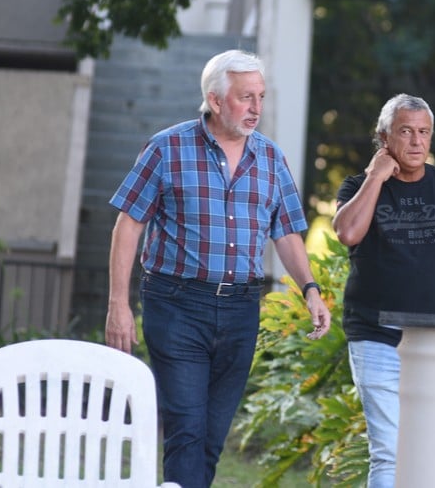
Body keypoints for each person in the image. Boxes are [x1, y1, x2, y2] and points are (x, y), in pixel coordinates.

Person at [105, 49, 331, 488]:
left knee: (210, 438)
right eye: (246, 98)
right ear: (215, 98)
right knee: (187, 431)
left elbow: (285, 233)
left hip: (241, 310)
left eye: (260, 97)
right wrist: (119, 304)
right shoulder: (166, 148)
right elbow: (128, 224)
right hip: (176, 305)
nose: (256, 108)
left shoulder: (270, 158)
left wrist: (310, 289)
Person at [332, 93, 435, 487]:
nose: (417, 142)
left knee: (431, 447)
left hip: (432, 344)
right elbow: (347, 233)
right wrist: (375, 176)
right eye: (406, 132)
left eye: (424, 132)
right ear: (384, 137)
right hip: (375, 337)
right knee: (389, 452)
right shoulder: (358, 187)